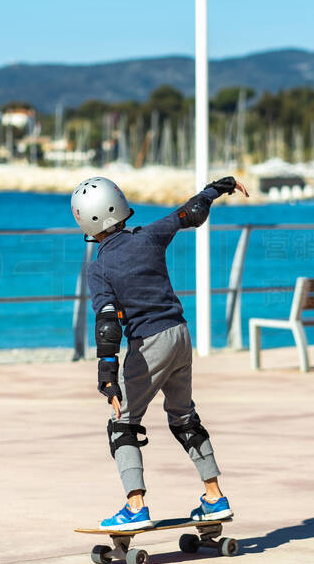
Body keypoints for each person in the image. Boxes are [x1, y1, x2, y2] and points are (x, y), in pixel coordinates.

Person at [71, 176, 247, 530]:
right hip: (181, 336)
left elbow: (107, 323)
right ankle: (214, 498)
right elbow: (191, 213)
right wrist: (218, 187)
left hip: (150, 343)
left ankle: (135, 506)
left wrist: (108, 376)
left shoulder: (99, 268)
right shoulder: (149, 235)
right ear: (120, 205)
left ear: (84, 220)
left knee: (122, 425)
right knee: (184, 418)